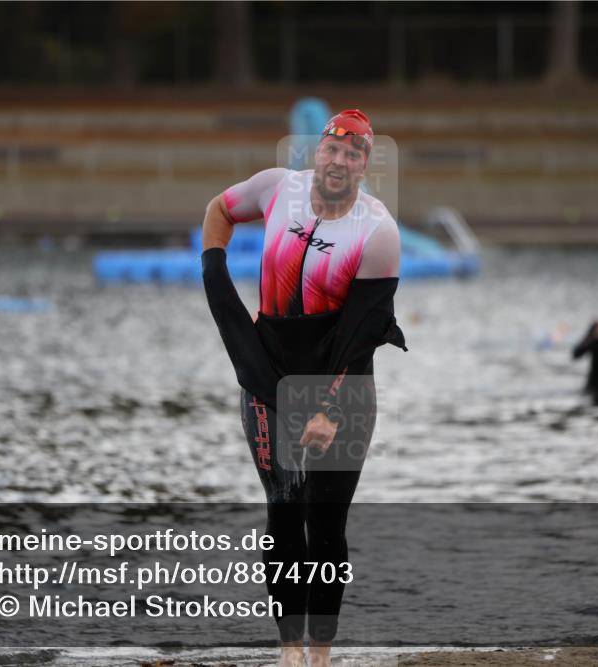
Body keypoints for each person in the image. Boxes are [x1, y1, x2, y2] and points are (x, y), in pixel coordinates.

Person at [201, 109, 405, 667]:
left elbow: (360, 336)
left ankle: (321, 655)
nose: (340, 162)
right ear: (318, 151)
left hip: (343, 380)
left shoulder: (378, 232)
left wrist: (329, 409)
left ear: (365, 165)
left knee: (326, 522)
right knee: (284, 511)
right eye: (332, 150)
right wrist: (214, 270)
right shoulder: (276, 189)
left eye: (353, 154)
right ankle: (290, 653)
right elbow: (219, 210)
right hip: (268, 377)